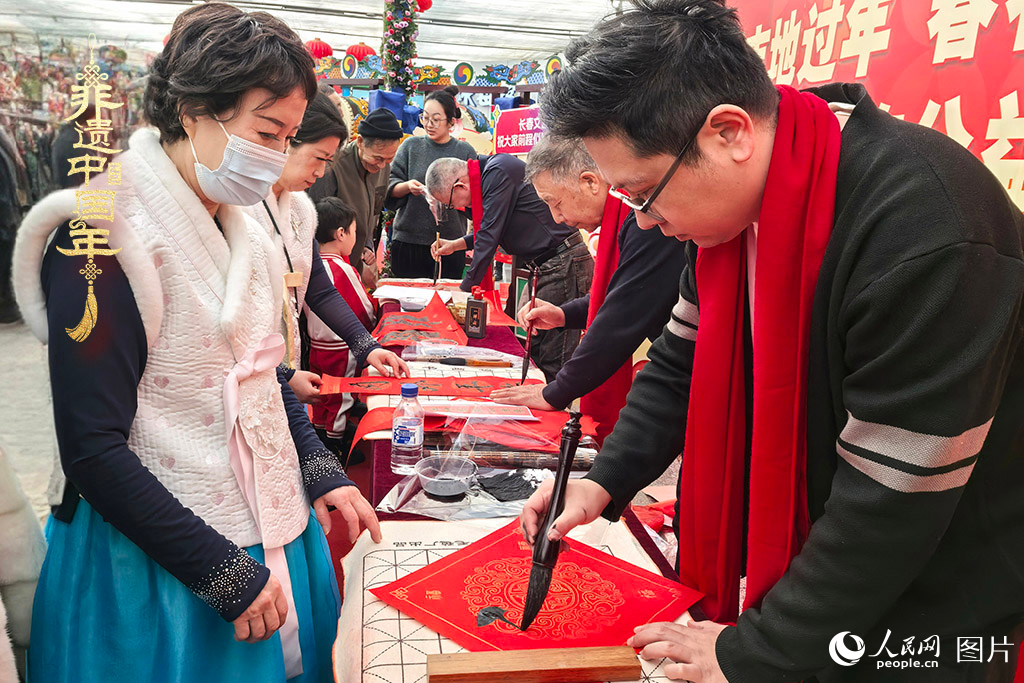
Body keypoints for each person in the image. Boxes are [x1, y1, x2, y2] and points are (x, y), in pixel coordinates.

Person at [519, 1, 1024, 681]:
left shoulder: (925, 230)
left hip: (937, 580)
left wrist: (755, 649)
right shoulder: (736, 212)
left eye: (641, 195)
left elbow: (892, 492)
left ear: (729, 132)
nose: (644, 224)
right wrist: (600, 482)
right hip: (833, 548)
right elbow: (678, 363)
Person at [11, 5, 382, 681]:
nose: (274, 157)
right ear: (192, 110)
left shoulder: (243, 226)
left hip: (268, 523)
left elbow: (261, 374)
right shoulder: (99, 237)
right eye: (265, 132)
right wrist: (219, 575)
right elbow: (93, 447)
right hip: (164, 559)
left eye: (288, 137)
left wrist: (318, 468)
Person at [489, 135, 686, 443]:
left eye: (556, 203)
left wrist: (555, 391)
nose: (558, 218)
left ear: (591, 182)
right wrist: (562, 315)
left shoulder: (643, 218)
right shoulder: (624, 215)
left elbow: (623, 317)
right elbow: (619, 296)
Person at [243, 91, 407, 406]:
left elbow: (320, 290)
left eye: (328, 163)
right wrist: (286, 376)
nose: (321, 174)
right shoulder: (241, 210)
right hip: (253, 370)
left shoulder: (301, 210)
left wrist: (367, 347)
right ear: (287, 141)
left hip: (284, 359)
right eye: (319, 159)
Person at [427, 154, 595, 380]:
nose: (455, 208)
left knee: (554, 352)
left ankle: (553, 408)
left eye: (449, 203)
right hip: (543, 265)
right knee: (531, 343)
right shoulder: (487, 176)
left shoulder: (498, 171)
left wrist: (465, 289)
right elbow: (489, 229)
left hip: (561, 261)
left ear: (460, 185)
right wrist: (456, 245)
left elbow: (489, 233)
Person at [307, 197, 376, 459]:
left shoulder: (312, 265)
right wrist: (370, 327)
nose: (354, 238)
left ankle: (321, 428)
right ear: (341, 233)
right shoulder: (340, 267)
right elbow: (362, 307)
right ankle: (335, 444)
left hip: (317, 340)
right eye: (354, 232)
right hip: (341, 343)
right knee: (341, 393)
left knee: (323, 389)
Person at [308, 107, 404, 290]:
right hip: (330, 266)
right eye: (377, 158)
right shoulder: (333, 166)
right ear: (360, 142)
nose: (382, 165)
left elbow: (374, 212)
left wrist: (367, 247)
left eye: (389, 159)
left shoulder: (383, 168)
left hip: (359, 261)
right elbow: (317, 220)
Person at [386, 85, 476, 280]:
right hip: (409, 240)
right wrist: (407, 186)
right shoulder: (411, 146)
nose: (429, 124)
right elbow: (389, 184)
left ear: (451, 122)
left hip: (450, 244)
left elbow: (474, 196)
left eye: (436, 120)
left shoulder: (465, 151)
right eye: (425, 118)